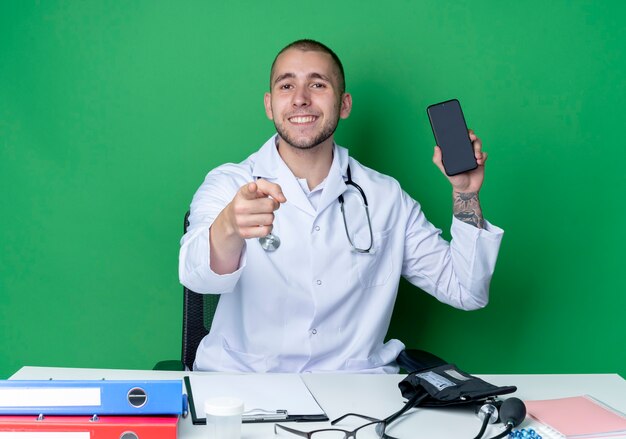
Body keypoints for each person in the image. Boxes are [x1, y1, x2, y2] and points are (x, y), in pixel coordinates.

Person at [179, 39, 503, 373]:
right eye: (286, 85)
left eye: (318, 84)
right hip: (243, 390)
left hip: (355, 396)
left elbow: (467, 290)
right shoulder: (229, 183)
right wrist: (229, 226)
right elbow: (196, 277)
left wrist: (465, 194)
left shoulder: (385, 197)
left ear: (344, 104)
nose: (301, 98)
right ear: (269, 104)